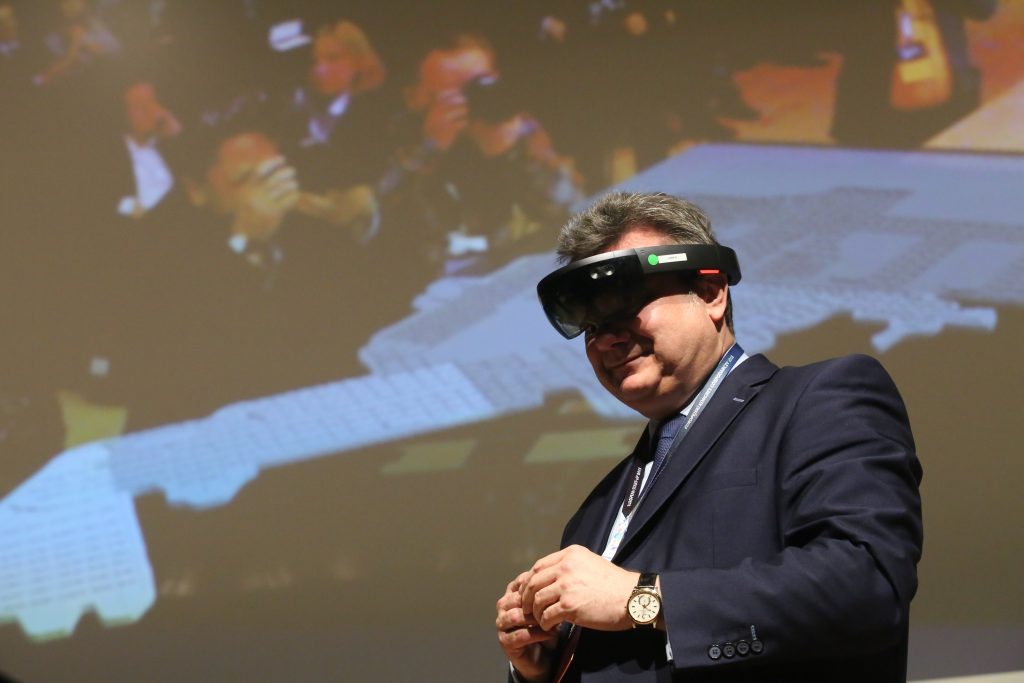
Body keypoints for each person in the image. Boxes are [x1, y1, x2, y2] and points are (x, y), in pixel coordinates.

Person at [495, 192, 923, 682]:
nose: (607, 337)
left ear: (711, 292)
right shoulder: (595, 511)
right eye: (591, 325)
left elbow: (867, 584)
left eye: (626, 304)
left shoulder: (818, 399)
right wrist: (542, 665)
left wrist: (641, 598)